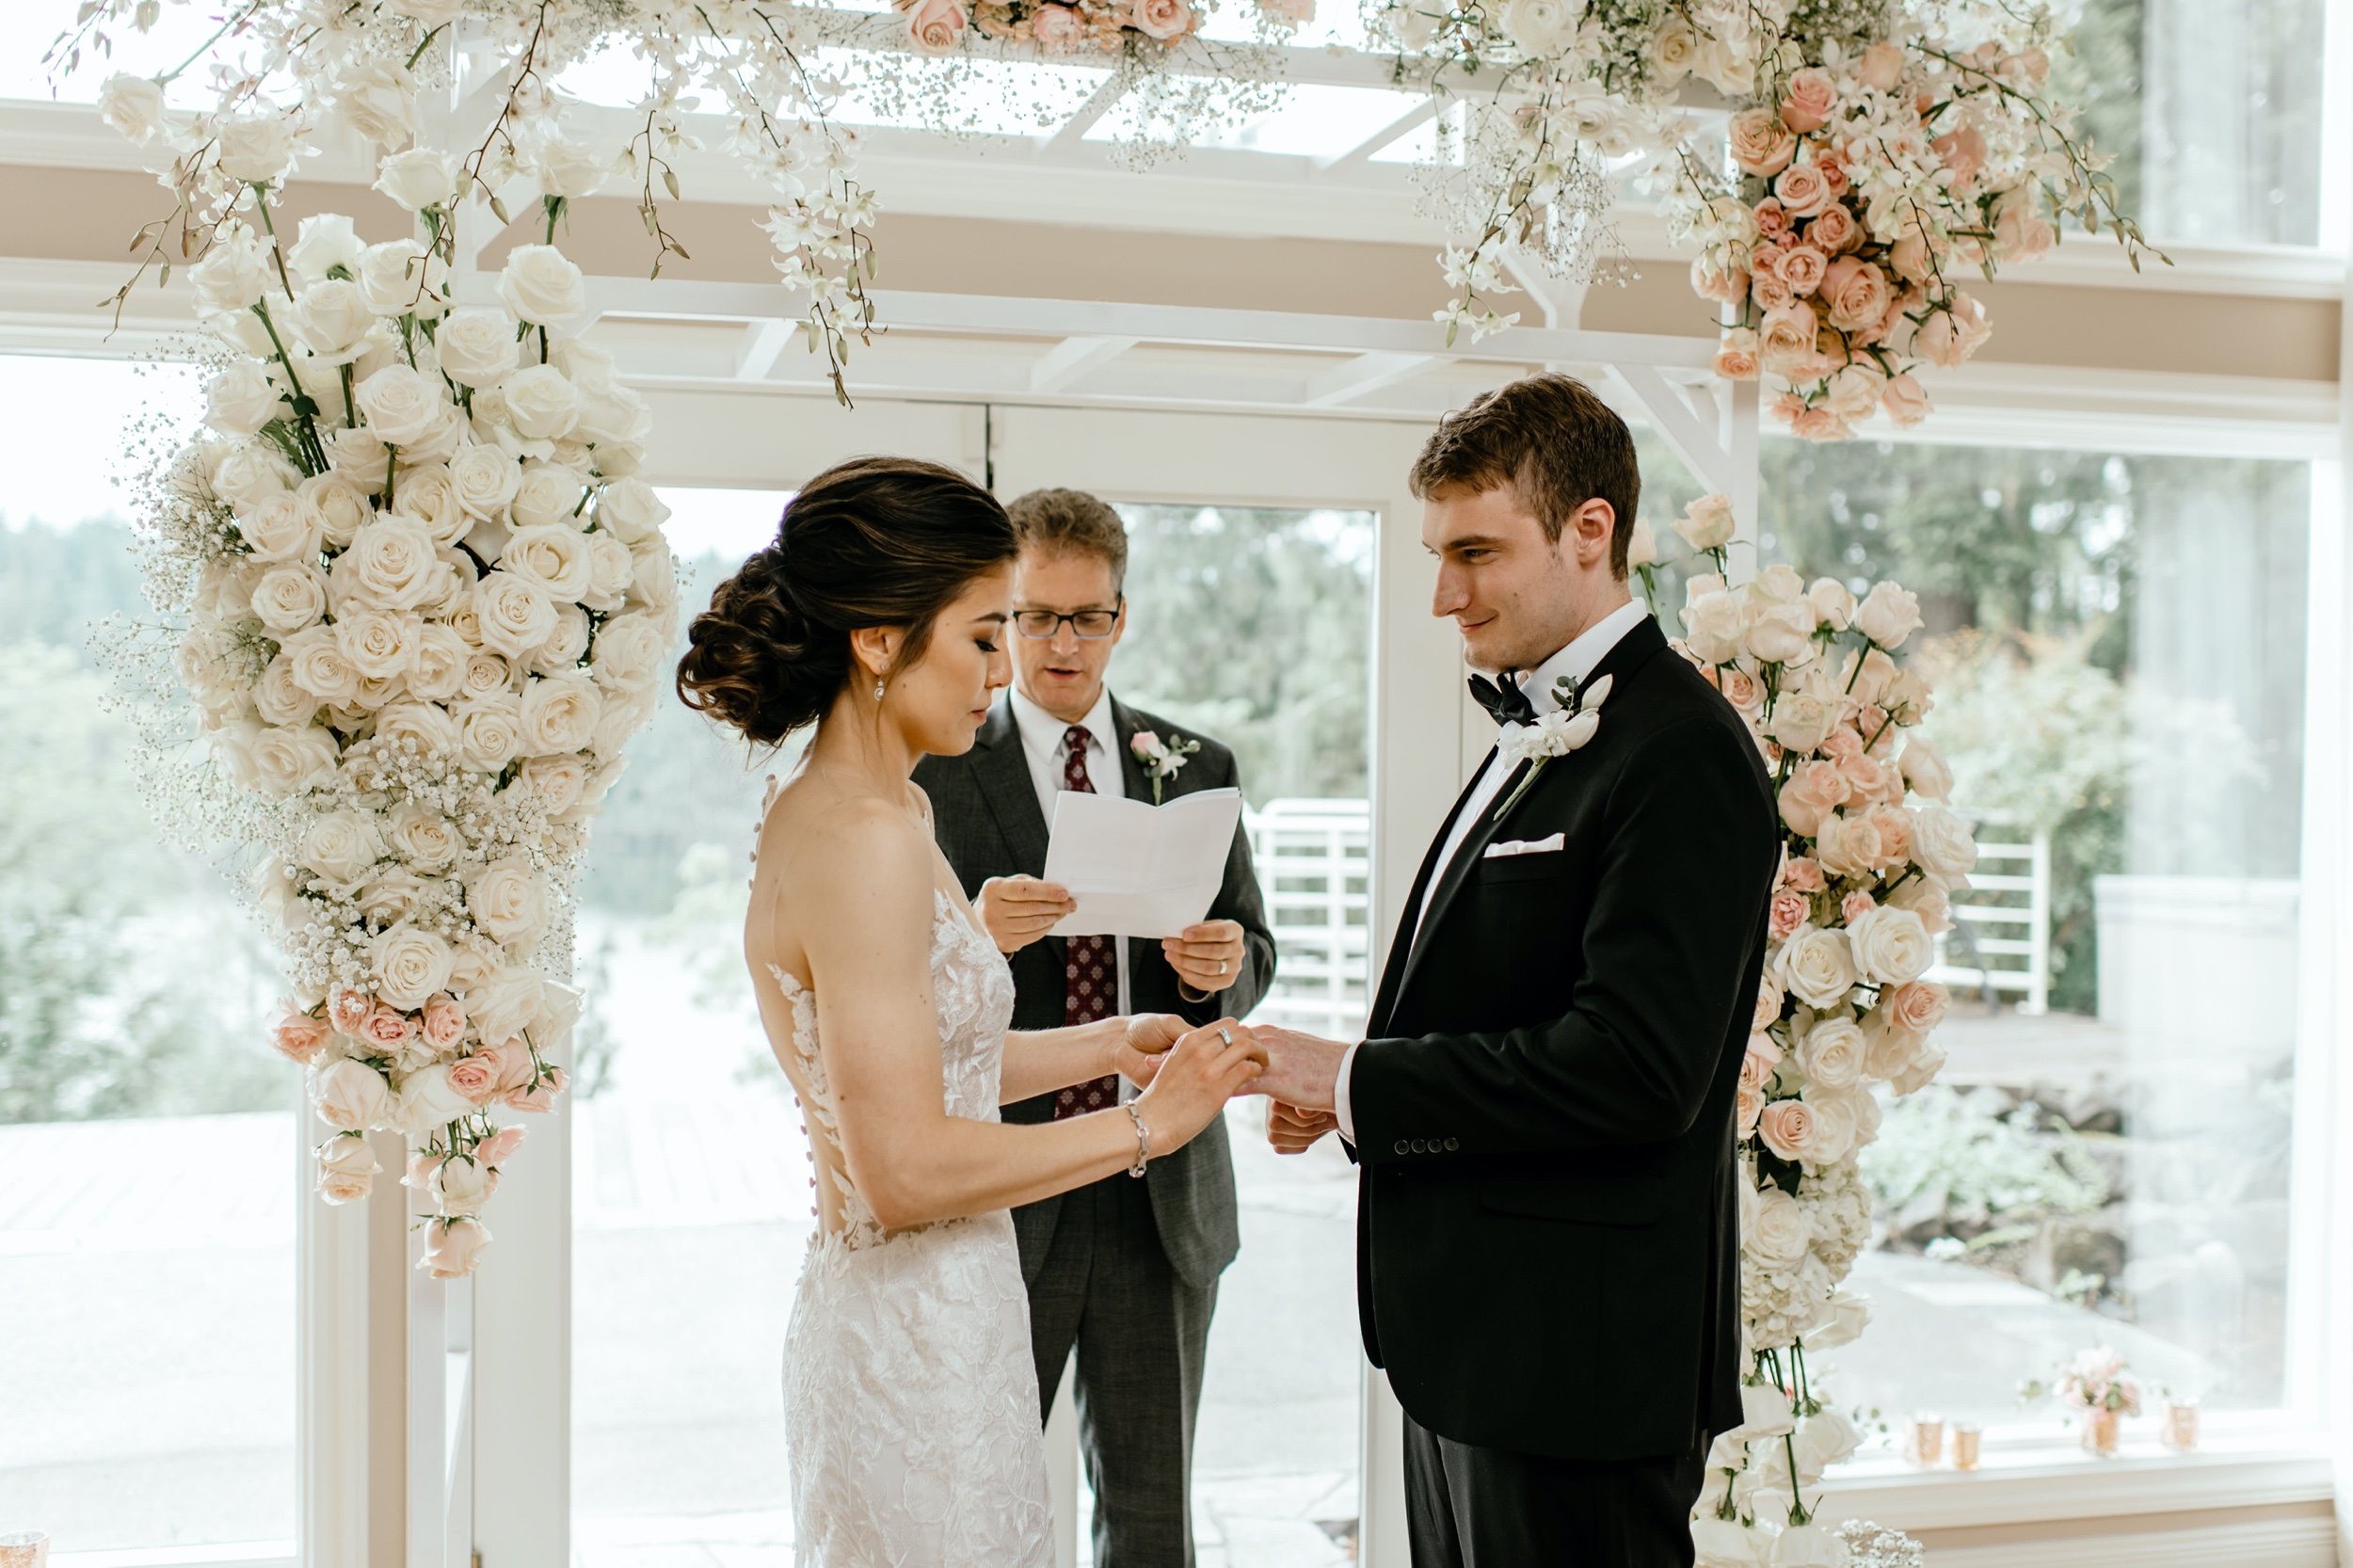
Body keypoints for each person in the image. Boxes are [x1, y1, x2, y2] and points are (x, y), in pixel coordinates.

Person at [676, 456, 1267, 1568]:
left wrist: (1106, 1046)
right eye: (985, 634)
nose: (1009, 670)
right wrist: (1153, 1123)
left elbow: (932, 1063)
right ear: (878, 640)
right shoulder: (861, 836)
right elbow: (899, 1167)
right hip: (917, 1339)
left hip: (949, 1308)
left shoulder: (874, 801)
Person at [1250, 376, 1779, 1567]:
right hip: (1481, 1351)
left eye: (1476, 552)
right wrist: (1348, 1097)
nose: (1444, 595)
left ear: (1589, 531)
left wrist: (1357, 1082)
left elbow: (1636, 1069)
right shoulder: (1539, 725)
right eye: (1439, 553)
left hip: (1573, 1368)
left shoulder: (1679, 750)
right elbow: (1503, 995)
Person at [912, 488, 1276, 1568]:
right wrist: (976, 933)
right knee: (972, 1504)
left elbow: (1255, 948)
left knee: (1153, 1524)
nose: (1060, 643)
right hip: (1002, 1178)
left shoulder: (1195, 764)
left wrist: (1223, 967)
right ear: (1002, 615)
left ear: (1123, 616)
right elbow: (891, 978)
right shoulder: (933, 768)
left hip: (1163, 1193)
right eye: (1034, 617)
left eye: (1087, 617)